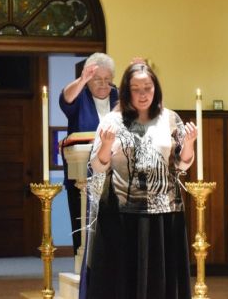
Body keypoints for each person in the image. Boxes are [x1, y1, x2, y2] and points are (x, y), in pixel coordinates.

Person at [85, 61, 197, 299]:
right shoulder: (111, 121)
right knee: (122, 282)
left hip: (164, 213)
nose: (143, 94)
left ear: (156, 88)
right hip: (121, 213)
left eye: (148, 87)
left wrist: (189, 144)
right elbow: (97, 165)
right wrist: (105, 146)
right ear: (126, 91)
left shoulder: (169, 118)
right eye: (136, 88)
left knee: (161, 280)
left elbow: (182, 164)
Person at [59, 52, 119, 255]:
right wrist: (82, 79)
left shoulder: (118, 96)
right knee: (84, 227)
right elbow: (65, 98)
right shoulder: (79, 95)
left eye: (107, 80)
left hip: (117, 175)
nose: (103, 85)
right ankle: (83, 265)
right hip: (81, 175)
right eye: (97, 79)